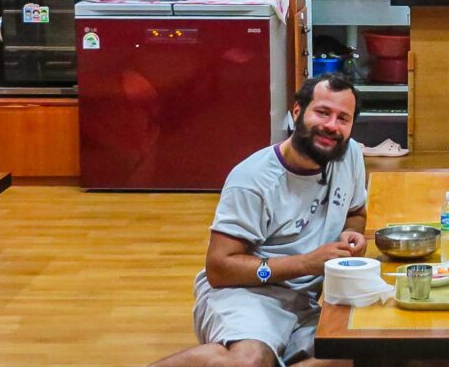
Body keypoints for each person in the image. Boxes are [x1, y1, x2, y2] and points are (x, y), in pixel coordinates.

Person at [152, 73, 366, 367]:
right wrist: (306, 263)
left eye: (343, 118)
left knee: (355, 357)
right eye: (323, 112)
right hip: (245, 293)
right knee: (250, 360)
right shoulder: (252, 180)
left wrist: (351, 235)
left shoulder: (349, 155)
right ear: (297, 112)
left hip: (305, 301)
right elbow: (220, 268)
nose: (332, 126)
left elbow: (356, 212)